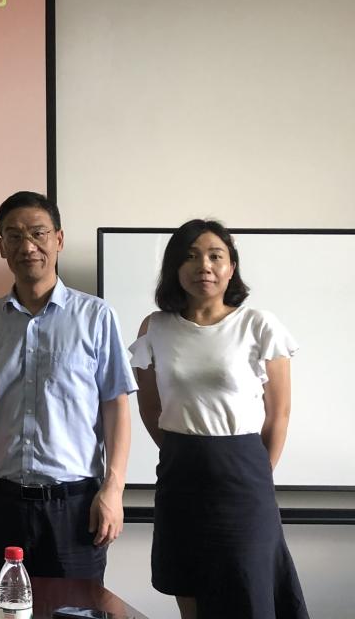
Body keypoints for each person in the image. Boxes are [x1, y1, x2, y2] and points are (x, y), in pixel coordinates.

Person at [130, 219, 309, 619]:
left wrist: (257, 470)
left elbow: (278, 413)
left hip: (244, 481)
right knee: (188, 587)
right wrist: (185, 451)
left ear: (231, 267)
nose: (204, 266)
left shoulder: (258, 324)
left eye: (215, 256)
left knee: (249, 592)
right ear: (175, 267)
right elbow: (150, 407)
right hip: (180, 477)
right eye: (191, 256)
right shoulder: (156, 327)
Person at [0, 191, 134, 580]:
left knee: (76, 607)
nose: (27, 247)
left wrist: (114, 488)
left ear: (59, 239)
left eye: (38, 233)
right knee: (2, 606)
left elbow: (116, 405)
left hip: (75, 506)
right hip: (1, 502)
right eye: (14, 236)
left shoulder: (96, 317)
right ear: (2, 246)